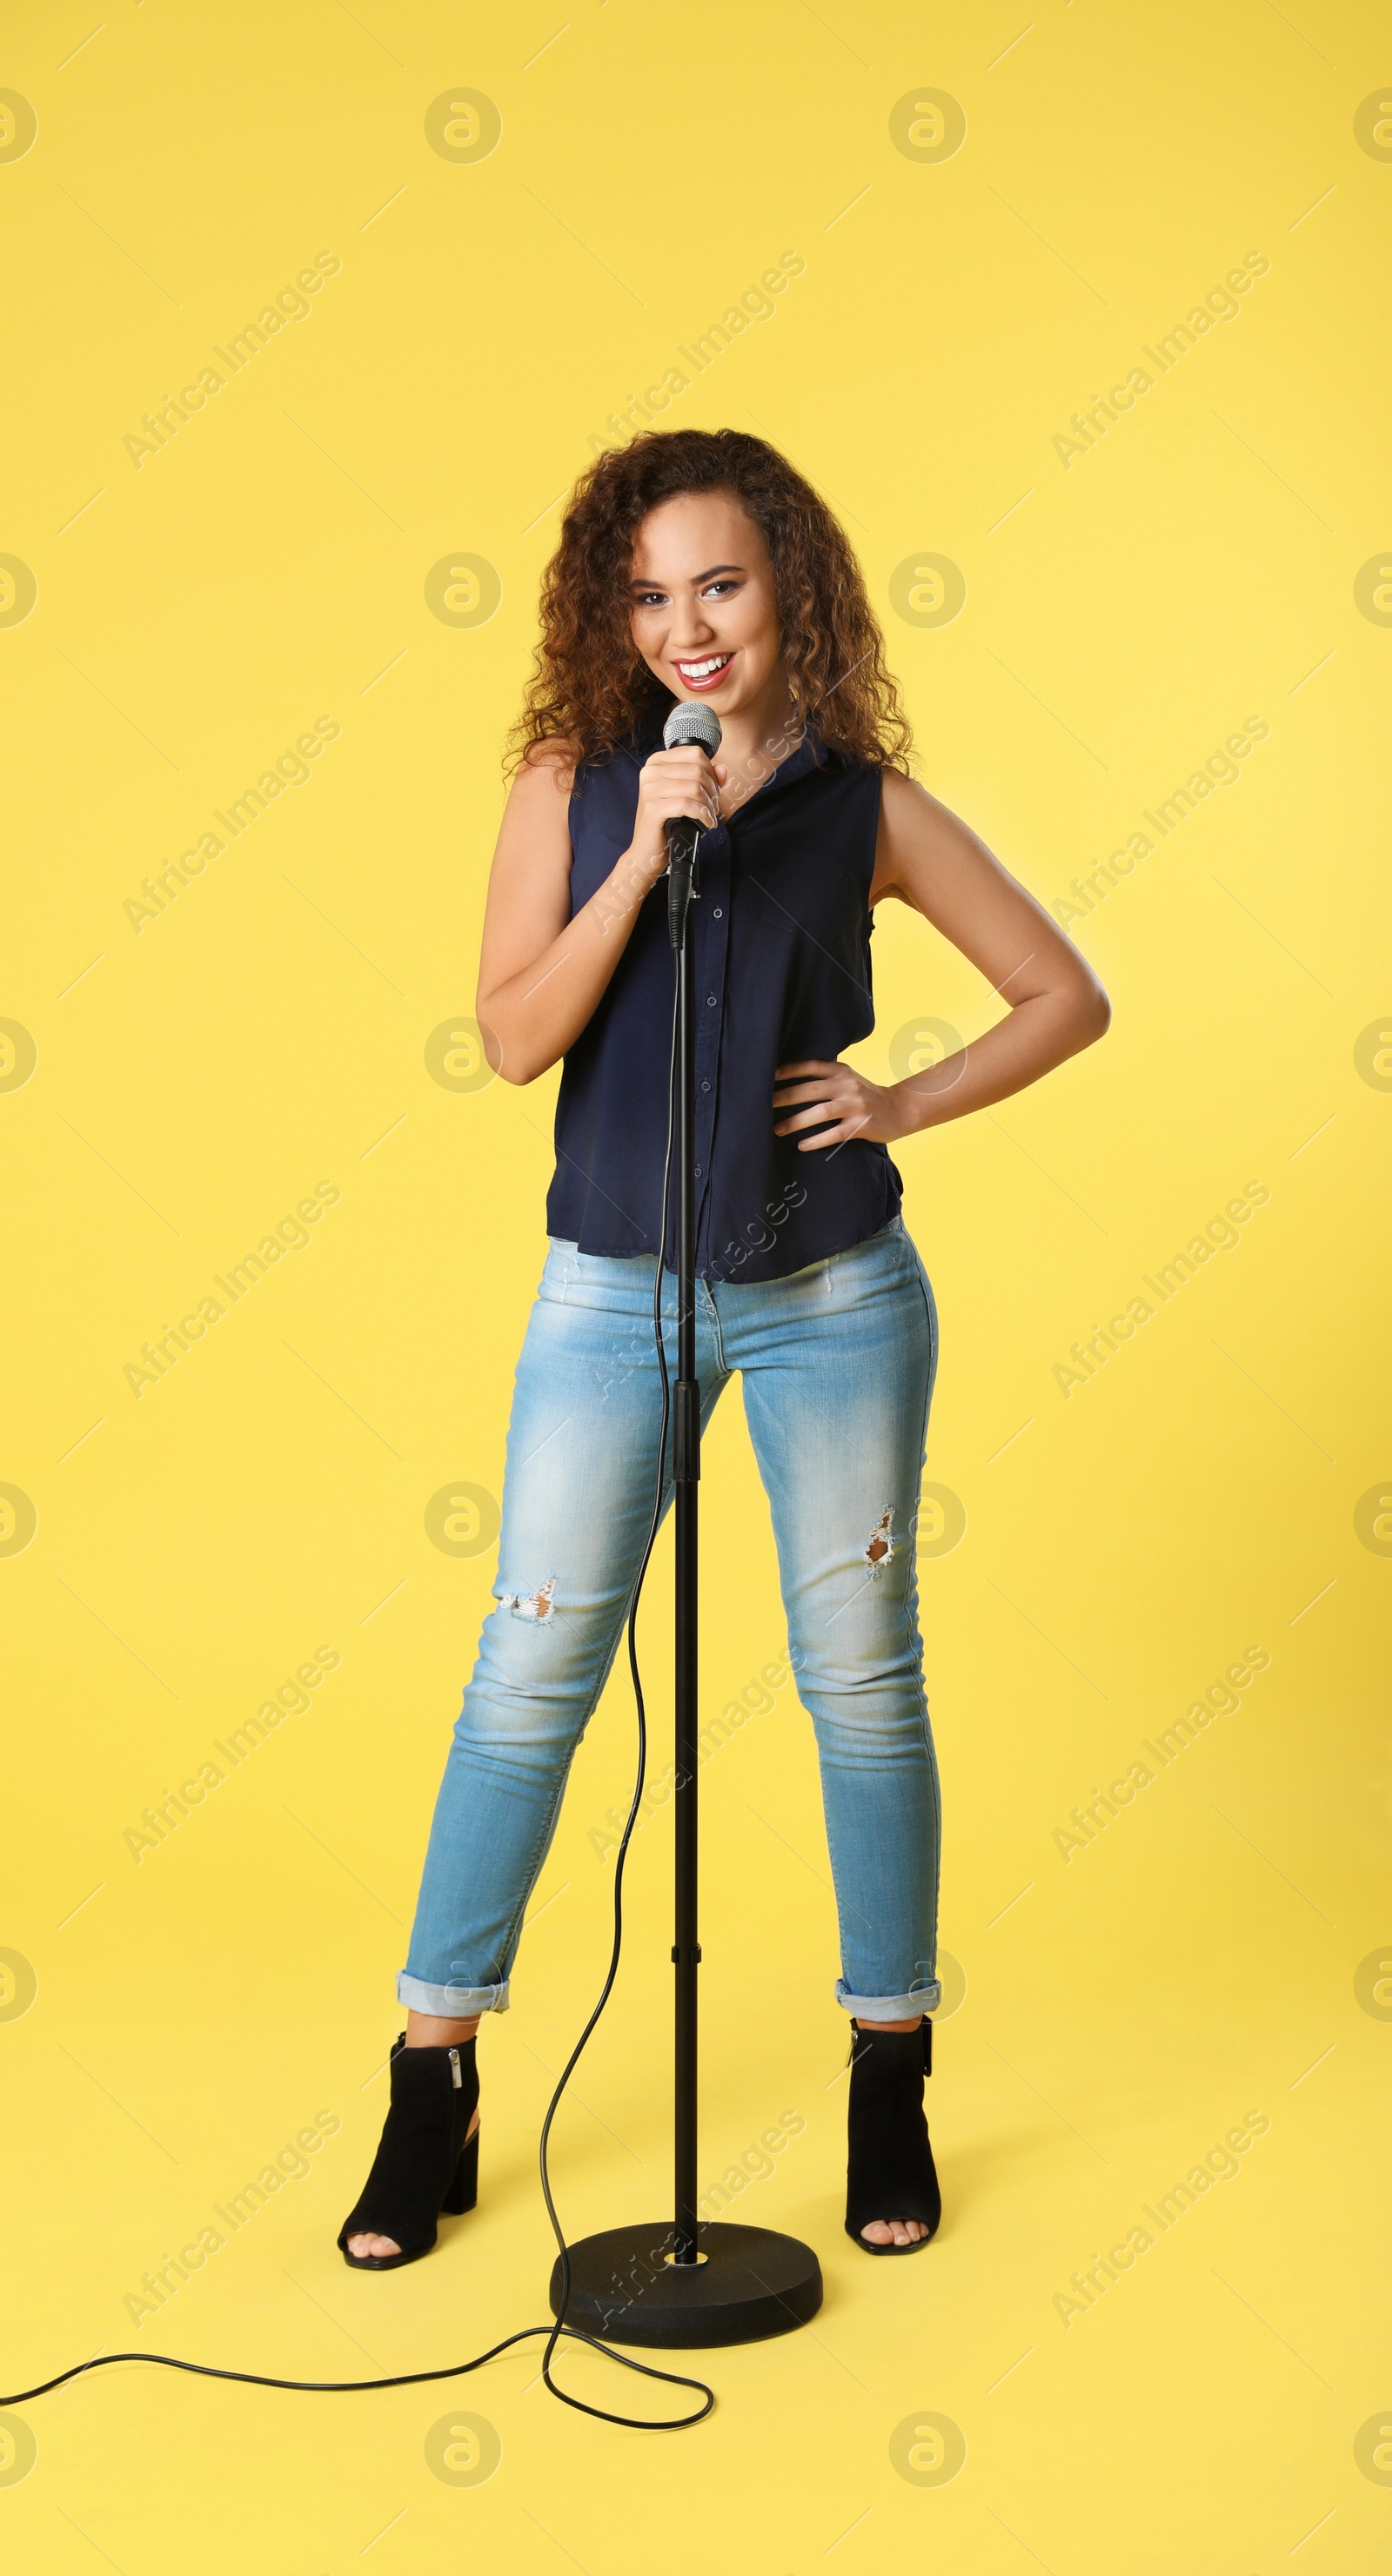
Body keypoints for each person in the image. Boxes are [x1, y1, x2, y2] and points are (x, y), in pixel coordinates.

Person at [338, 427, 1109, 2271]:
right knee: (528, 1677)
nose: (685, 624)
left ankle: (886, 2062)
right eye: (647, 591)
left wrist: (898, 1100)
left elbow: (1065, 994)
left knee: (859, 1676)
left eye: (721, 583)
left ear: (790, 593)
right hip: (614, 1288)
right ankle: (430, 2081)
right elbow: (513, 1039)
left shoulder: (866, 806)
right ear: (612, 616)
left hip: (833, 1292)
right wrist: (637, 857)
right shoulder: (573, 780)